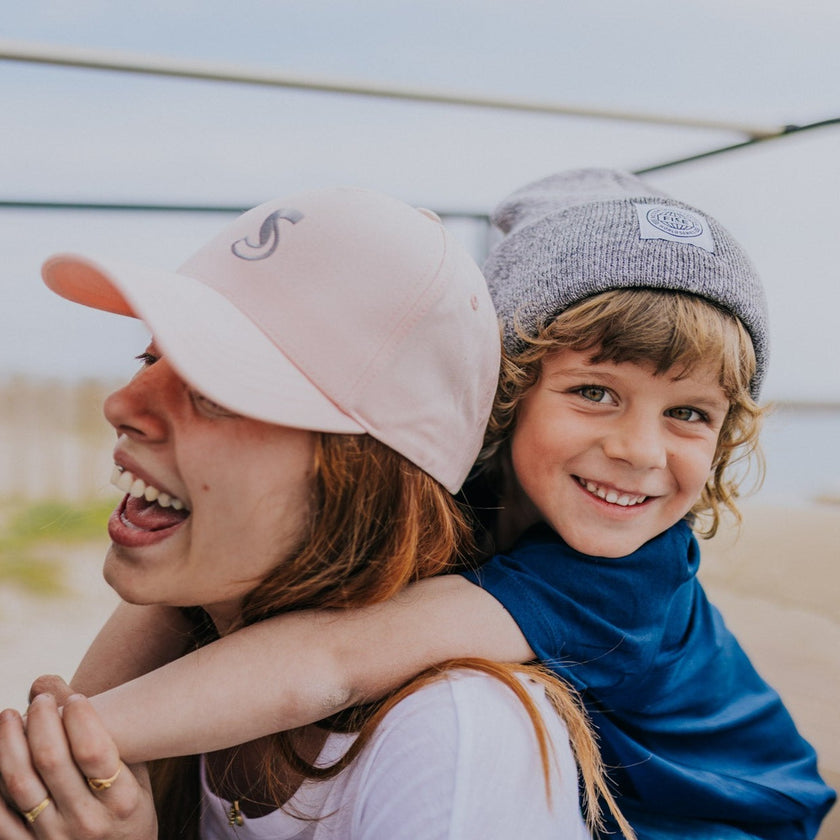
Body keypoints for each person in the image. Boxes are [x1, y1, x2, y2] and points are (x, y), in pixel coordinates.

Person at [18, 170, 836, 838]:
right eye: (594, 392)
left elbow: (332, 660)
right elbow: (183, 605)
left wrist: (67, 746)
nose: (640, 449)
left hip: (728, 821)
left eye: (689, 414)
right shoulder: (464, 499)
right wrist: (56, 738)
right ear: (505, 398)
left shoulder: (619, 579)